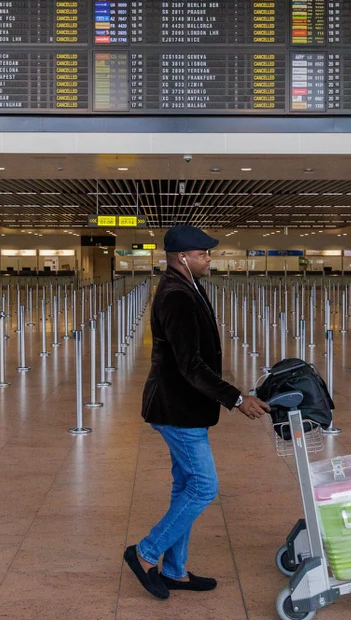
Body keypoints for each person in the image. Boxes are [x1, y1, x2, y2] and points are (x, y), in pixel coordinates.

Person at [123, 225, 271, 600]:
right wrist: (236, 399)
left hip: (183, 406)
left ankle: (174, 570)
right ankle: (145, 554)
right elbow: (190, 365)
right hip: (176, 408)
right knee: (204, 487)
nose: (209, 258)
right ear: (183, 257)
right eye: (203, 254)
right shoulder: (176, 295)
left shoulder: (188, 286)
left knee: (185, 486)